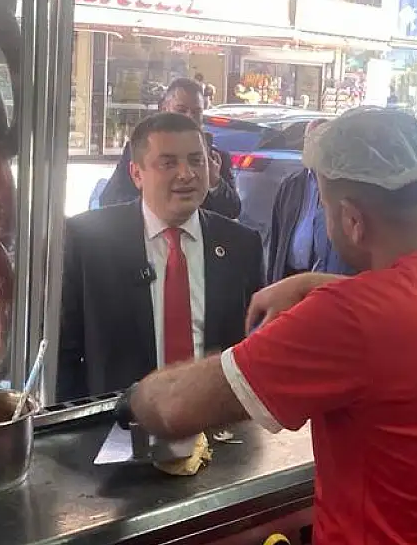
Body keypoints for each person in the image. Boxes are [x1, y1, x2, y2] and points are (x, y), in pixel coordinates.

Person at [120, 107, 417, 545]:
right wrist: (314, 283)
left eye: (324, 207)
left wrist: (133, 399)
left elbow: (172, 408)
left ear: (352, 220)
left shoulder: (350, 318)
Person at [58, 112, 264, 400]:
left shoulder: (241, 245)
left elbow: (254, 350)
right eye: (169, 163)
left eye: (196, 160)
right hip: (117, 420)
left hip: (216, 418)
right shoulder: (87, 240)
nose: (187, 174)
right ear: (136, 174)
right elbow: (63, 354)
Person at [96, 77, 241, 218]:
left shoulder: (215, 158)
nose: (189, 118)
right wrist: (155, 204)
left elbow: (233, 210)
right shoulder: (139, 149)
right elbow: (110, 200)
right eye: (181, 110)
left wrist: (215, 183)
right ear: (164, 109)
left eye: (196, 112)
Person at [264, 119, 354, 282]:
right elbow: (277, 237)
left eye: (319, 142)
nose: (314, 148)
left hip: (322, 279)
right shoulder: (291, 184)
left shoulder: (342, 187)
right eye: (309, 141)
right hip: (289, 276)